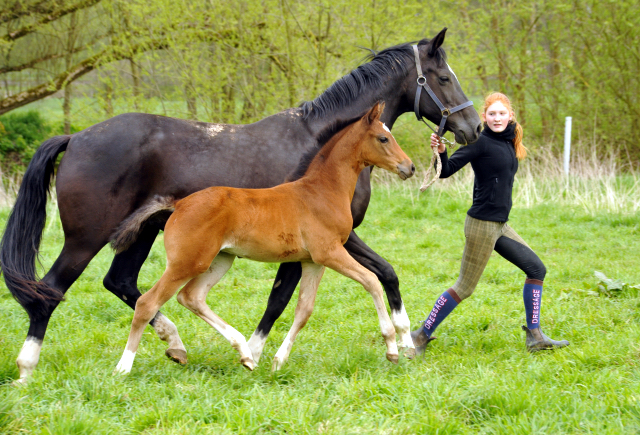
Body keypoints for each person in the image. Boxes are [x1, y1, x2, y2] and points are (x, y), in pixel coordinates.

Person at [411, 92, 569, 354]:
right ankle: (420, 335)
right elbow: (446, 171)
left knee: (536, 269)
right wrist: (441, 152)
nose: (497, 118)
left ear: (510, 116)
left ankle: (535, 336)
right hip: (482, 225)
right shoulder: (480, 142)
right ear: (484, 117)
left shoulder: (509, 140)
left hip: (501, 225)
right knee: (464, 287)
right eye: (492, 114)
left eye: (502, 113)